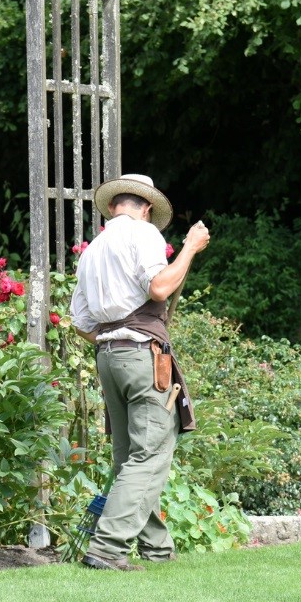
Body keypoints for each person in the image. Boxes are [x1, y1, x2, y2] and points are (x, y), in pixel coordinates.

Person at [69, 173, 210, 571]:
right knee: (149, 454)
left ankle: (157, 548)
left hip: (108, 358)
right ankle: (108, 547)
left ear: (114, 205)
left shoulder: (92, 251)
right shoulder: (143, 234)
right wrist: (189, 249)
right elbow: (160, 287)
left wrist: (113, 335)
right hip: (140, 356)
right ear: (146, 208)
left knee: (129, 456)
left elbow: (79, 321)